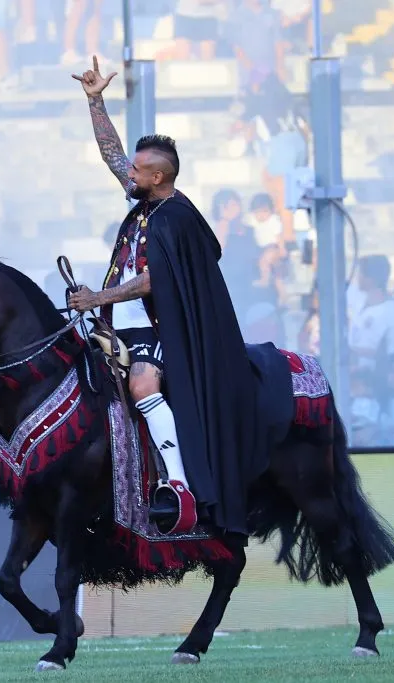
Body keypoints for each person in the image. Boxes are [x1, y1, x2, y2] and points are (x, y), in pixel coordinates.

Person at [66, 57, 265, 536]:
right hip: (115, 324)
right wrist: (96, 101)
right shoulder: (145, 199)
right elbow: (113, 155)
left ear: (158, 177)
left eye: (137, 170)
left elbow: (157, 281)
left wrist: (97, 298)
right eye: (131, 168)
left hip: (162, 331)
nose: (127, 173)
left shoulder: (176, 219)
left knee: (141, 387)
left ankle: (177, 487)